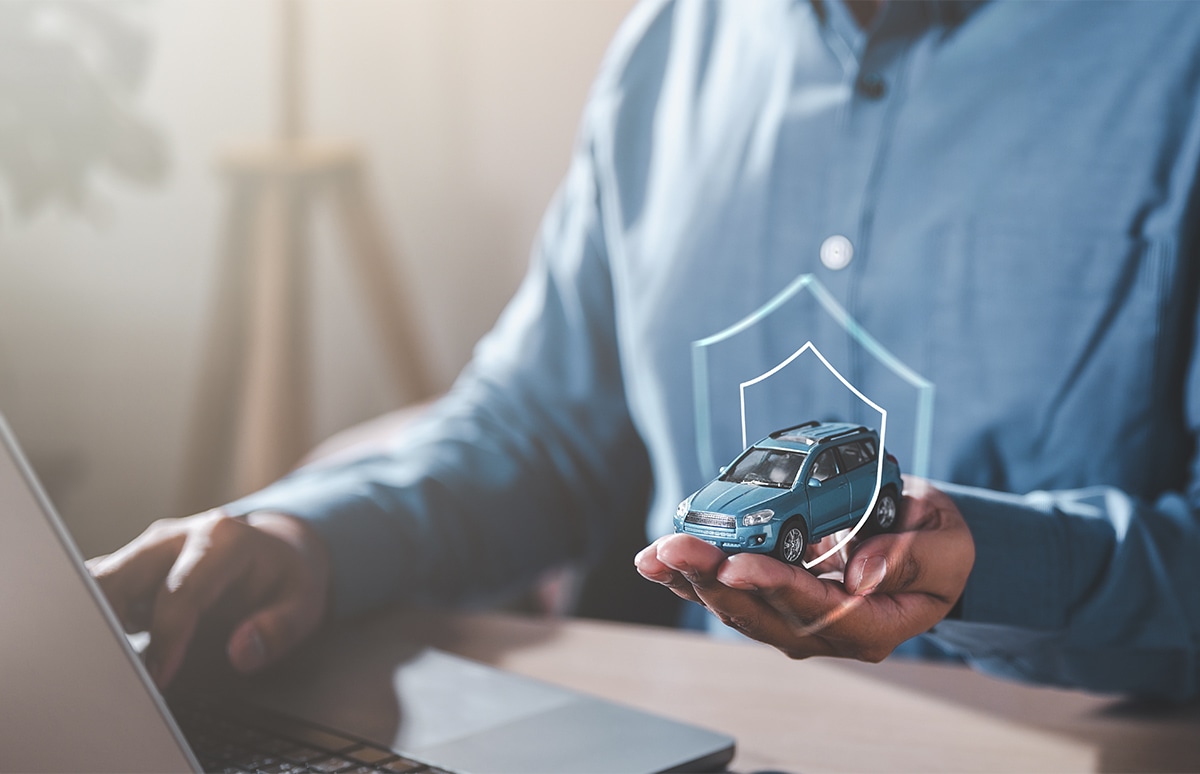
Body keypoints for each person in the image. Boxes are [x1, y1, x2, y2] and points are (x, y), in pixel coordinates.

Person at [90, 0, 1200, 700]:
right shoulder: (670, 48)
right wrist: (310, 537)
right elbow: (542, 432)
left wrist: (996, 567)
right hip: (696, 726)